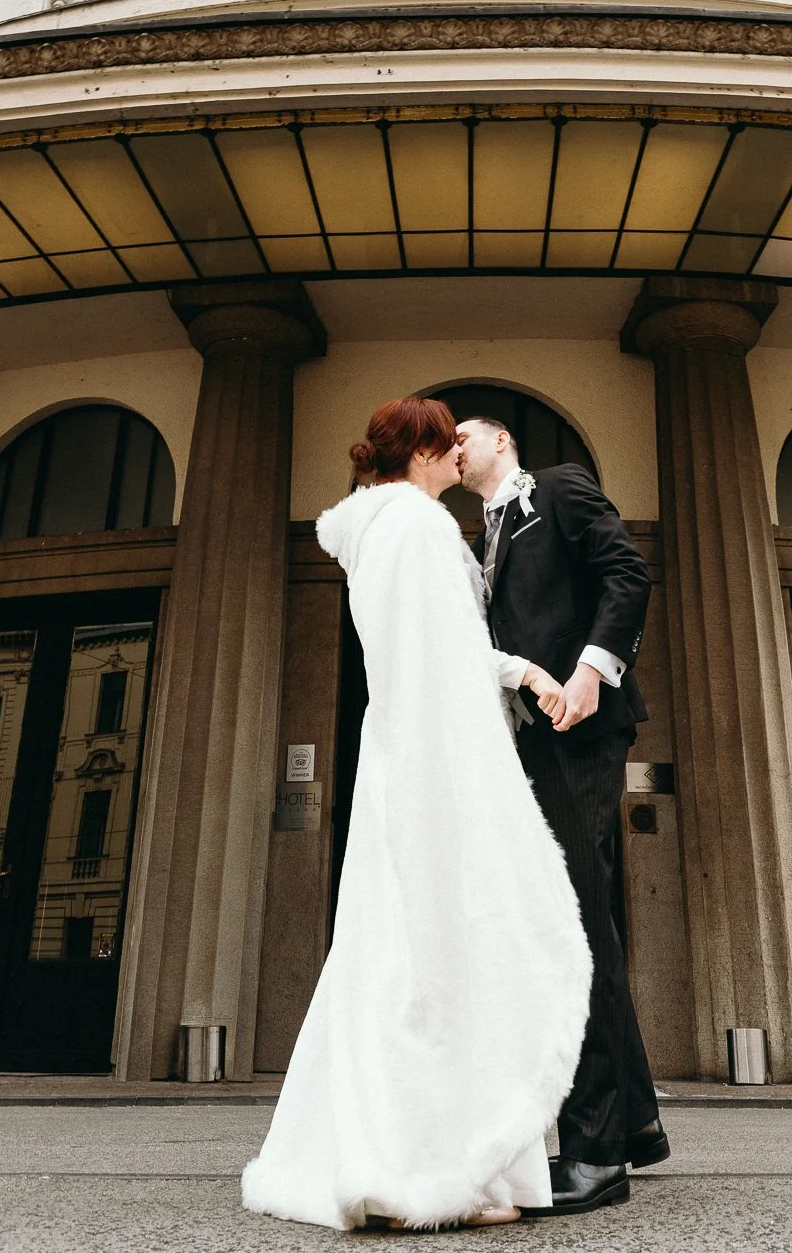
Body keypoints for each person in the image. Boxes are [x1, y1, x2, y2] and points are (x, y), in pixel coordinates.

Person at [242, 396, 592, 1233]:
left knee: (396, 943)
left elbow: (432, 646)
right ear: (427, 454)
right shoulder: (421, 526)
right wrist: (513, 690)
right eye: (451, 448)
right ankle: (431, 1171)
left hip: (400, 747)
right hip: (437, 756)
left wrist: (520, 674)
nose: (460, 462)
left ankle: (398, 1156)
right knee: (443, 946)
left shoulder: (374, 529)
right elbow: (443, 654)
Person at [454, 414, 666, 1217]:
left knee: (573, 929)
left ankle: (596, 1152)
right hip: (526, 745)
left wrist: (591, 672)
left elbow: (626, 575)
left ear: (501, 440)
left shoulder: (559, 487)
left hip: (578, 729)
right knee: (581, 927)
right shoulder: (479, 534)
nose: (456, 450)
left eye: (465, 437)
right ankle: (637, 1121)